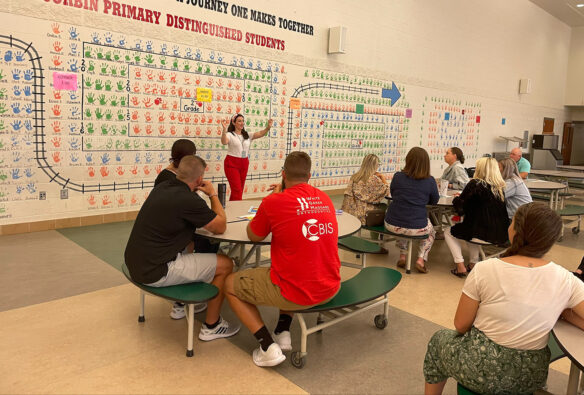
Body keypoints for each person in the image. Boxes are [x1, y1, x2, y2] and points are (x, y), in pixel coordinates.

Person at [423, 203, 584, 395]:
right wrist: (563, 312)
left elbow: (461, 325)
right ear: (550, 240)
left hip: (483, 368)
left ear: (515, 231)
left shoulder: (485, 269)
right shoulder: (566, 279)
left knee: (438, 341)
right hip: (531, 375)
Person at [224, 151, 341, 367]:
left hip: (298, 292)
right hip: (330, 286)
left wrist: (271, 200)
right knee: (291, 264)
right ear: (309, 175)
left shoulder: (274, 202)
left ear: (283, 174)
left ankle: (267, 347)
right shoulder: (324, 198)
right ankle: (283, 330)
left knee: (229, 283)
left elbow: (253, 235)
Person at [124, 156, 240, 341]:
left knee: (191, 244)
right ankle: (212, 325)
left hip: (135, 262)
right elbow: (220, 226)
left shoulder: (163, 187)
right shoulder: (188, 200)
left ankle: (181, 303)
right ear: (200, 179)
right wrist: (213, 195)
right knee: (226, 263)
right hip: (155, 271)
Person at [445, 157, 509, 277]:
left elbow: (460, 209)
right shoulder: (499, 187)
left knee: (448, 231)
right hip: (500, 233)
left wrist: (456, 199)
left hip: (481, 232)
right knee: (470, 229)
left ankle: (460, 265)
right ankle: (473, 263)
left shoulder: (475, 184)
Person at [385, 147, 439, 274]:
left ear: (407, 160)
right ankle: (420, 259)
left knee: (402, 222)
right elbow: (434, 201)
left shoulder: (398, 176)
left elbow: (393, 193)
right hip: (416, 226)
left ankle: (402, 256)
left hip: (392, 223)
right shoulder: (430, 181)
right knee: (431, 233)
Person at [220, 114, 273, 201]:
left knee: (239, 189)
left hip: (244, 163)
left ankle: (234, 207)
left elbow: (260, 133)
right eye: (239, 121)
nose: (242, 123)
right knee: (237, 189)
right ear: (233, 123)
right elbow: (224, 142)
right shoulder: (230, 134)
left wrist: (268, 128)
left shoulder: (247, 135)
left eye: (243, 121)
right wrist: (224, 130)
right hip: (231, 163)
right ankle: (237, 207)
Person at [341, 154, 389, 224]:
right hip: (364, 215)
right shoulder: (374, 179)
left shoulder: (354, 177)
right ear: (375, 165)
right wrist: (382, 178)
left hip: (349, 211)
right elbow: (387, 191)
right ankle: (376, 233)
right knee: (384, 206)